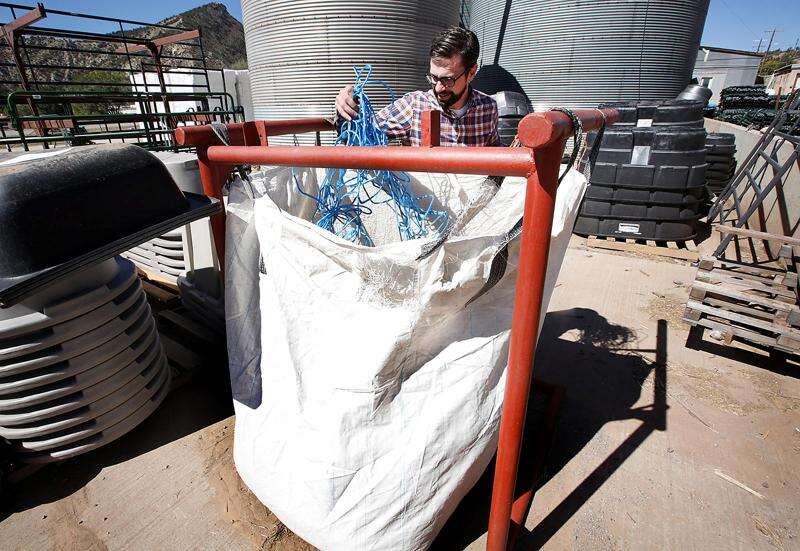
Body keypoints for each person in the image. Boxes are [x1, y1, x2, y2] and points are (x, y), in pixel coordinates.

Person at [334, 26, 500, 147]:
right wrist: (347, 107)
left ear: (471, 73)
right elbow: (362, 134)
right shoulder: (415, 105)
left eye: (448, 80)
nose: (438, 88)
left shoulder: (488, 107)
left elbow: (496, 154)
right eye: (434, 77)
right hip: (427, 196)